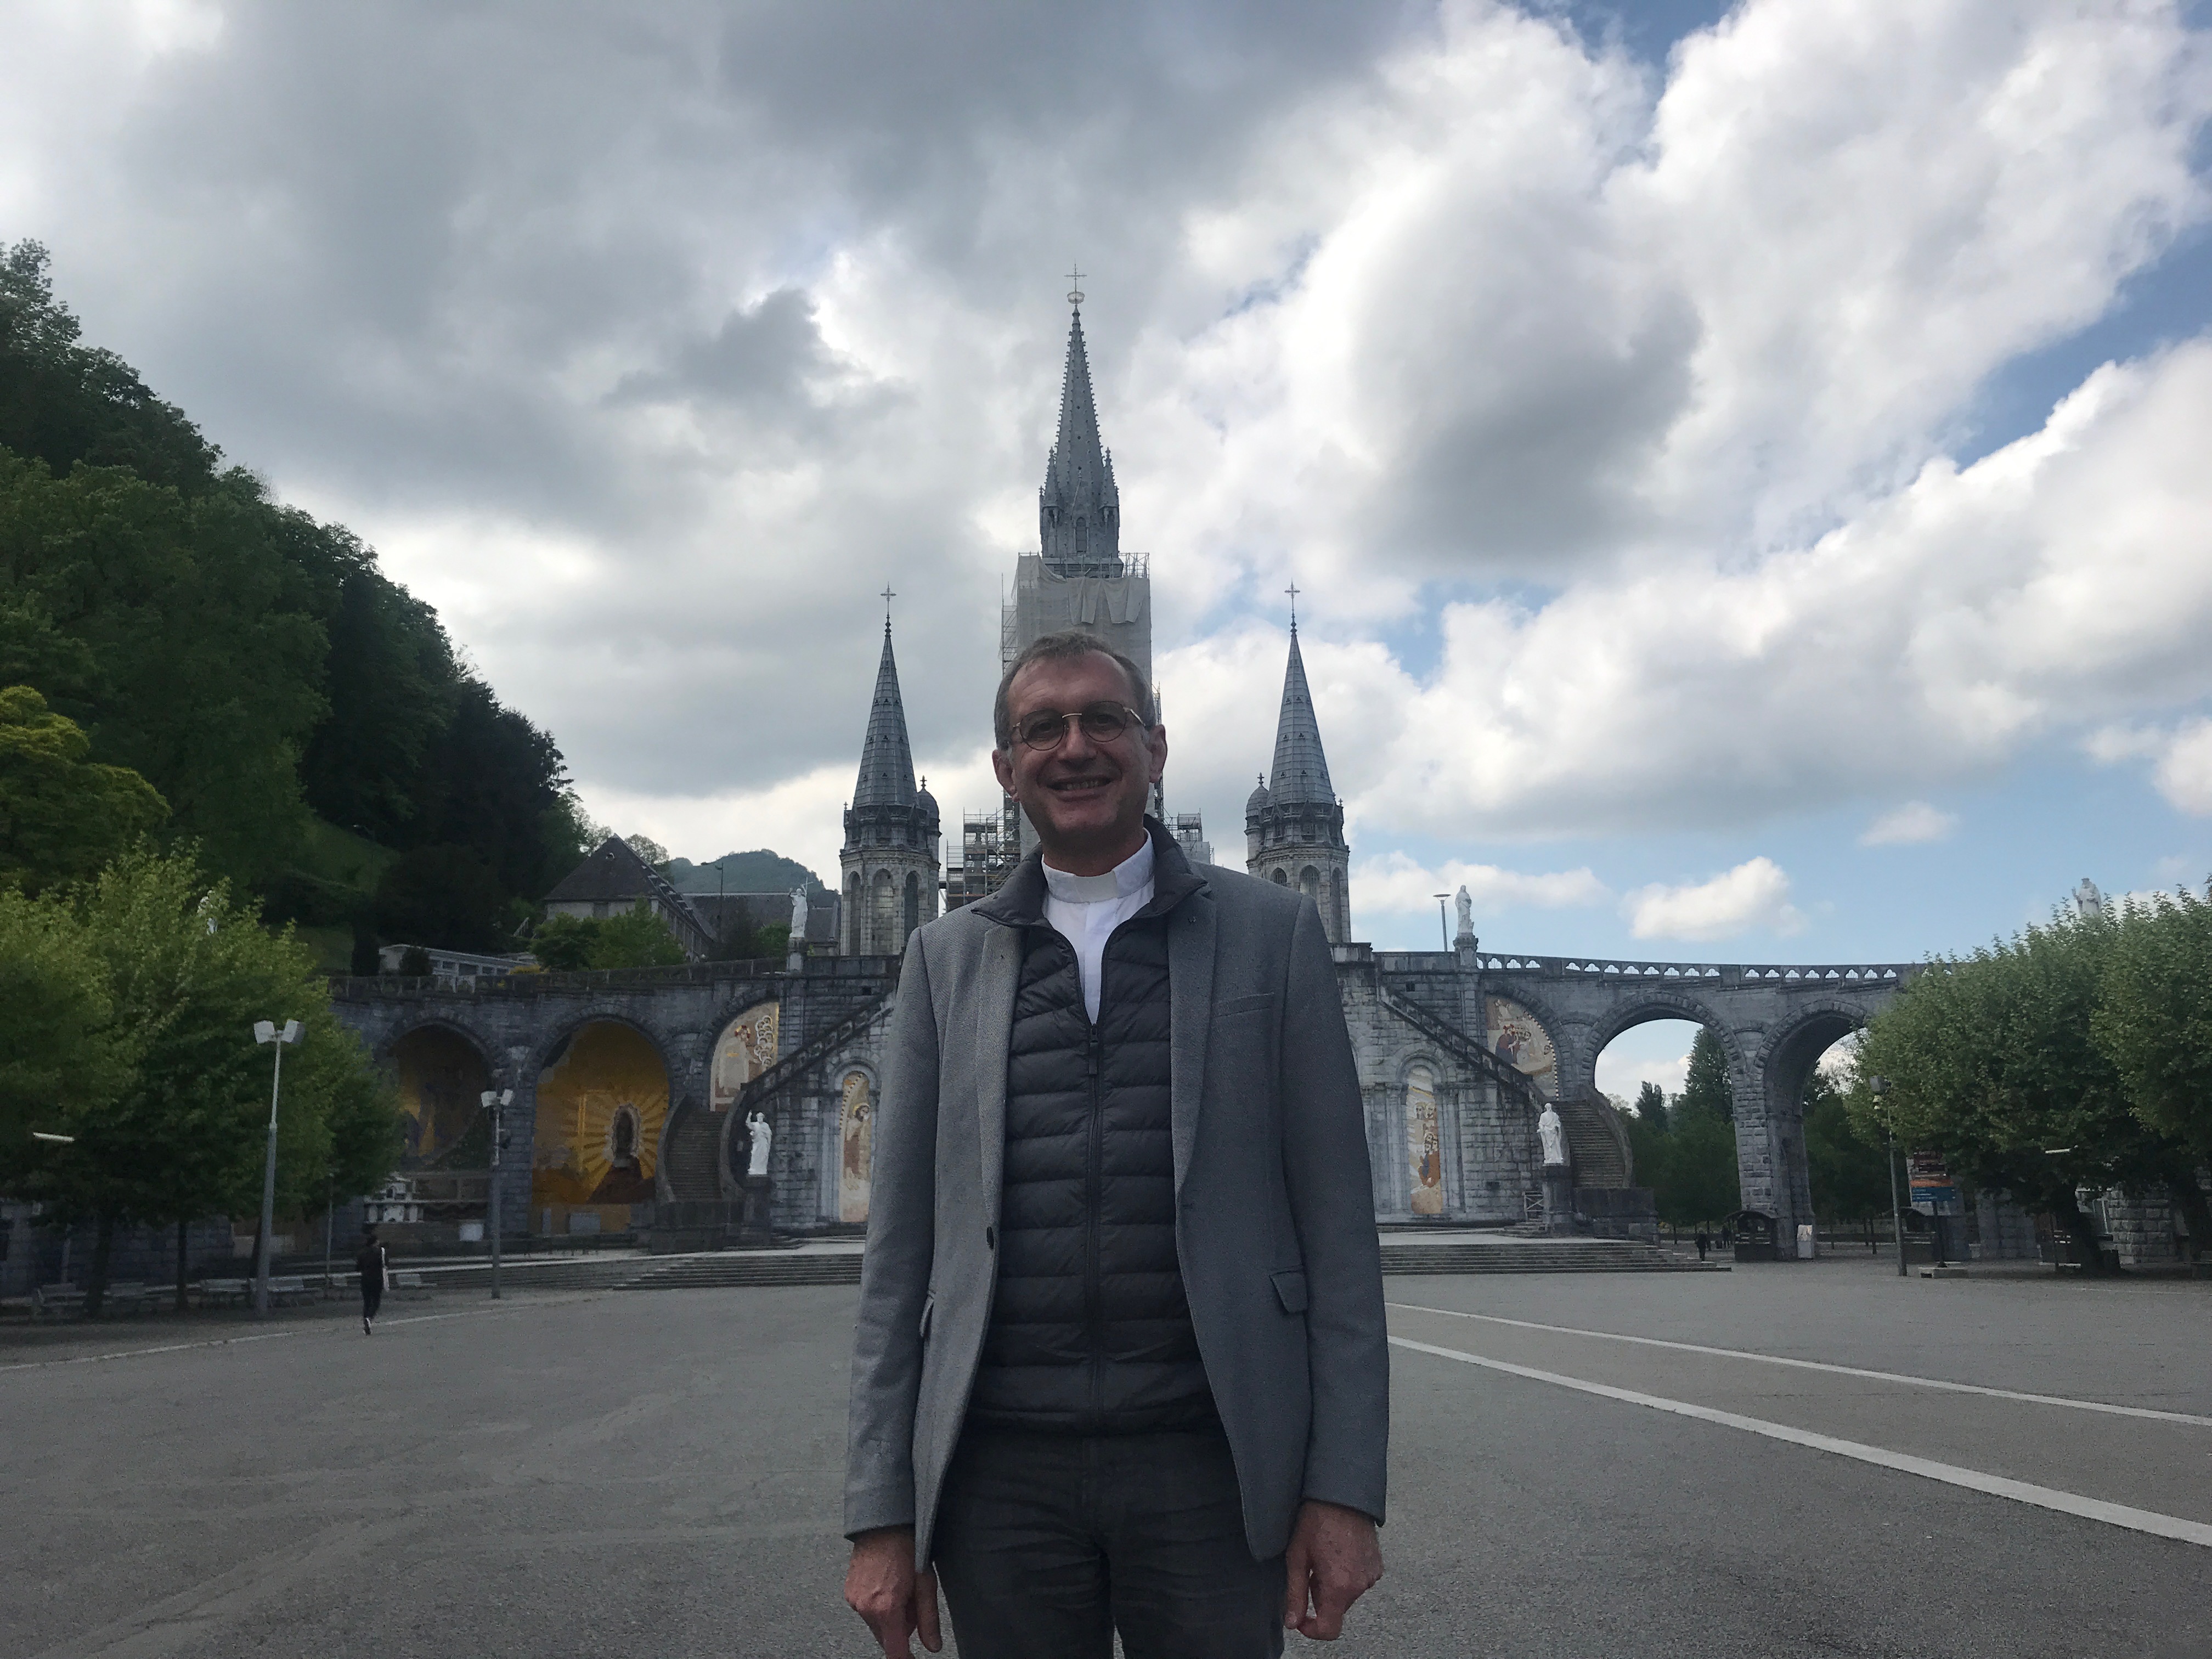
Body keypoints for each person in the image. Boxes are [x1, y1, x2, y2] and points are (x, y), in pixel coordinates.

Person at [844, 630, 1389, 1659]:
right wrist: (881, 1509)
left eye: (1105, 718)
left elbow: (1338, 1237)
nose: (1074, 746)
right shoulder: (941, 956)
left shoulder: (1272, 933)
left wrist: (1344, 1488)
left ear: (1157, 746)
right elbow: (898, 1259)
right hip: (999, 1471)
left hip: (1210, 1461)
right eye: (1040, 727)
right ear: (1006, 767)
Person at [356, 1226, 387, 1336]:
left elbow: (357, 1268)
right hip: (377, 1279)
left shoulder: (361, 1253)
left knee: (367, 1301)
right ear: (375, 1242)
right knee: (376, 1301)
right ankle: (369, 1318)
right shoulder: (380, 1252)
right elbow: (385, 1264)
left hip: (365, 1279)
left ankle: (366, 1321)